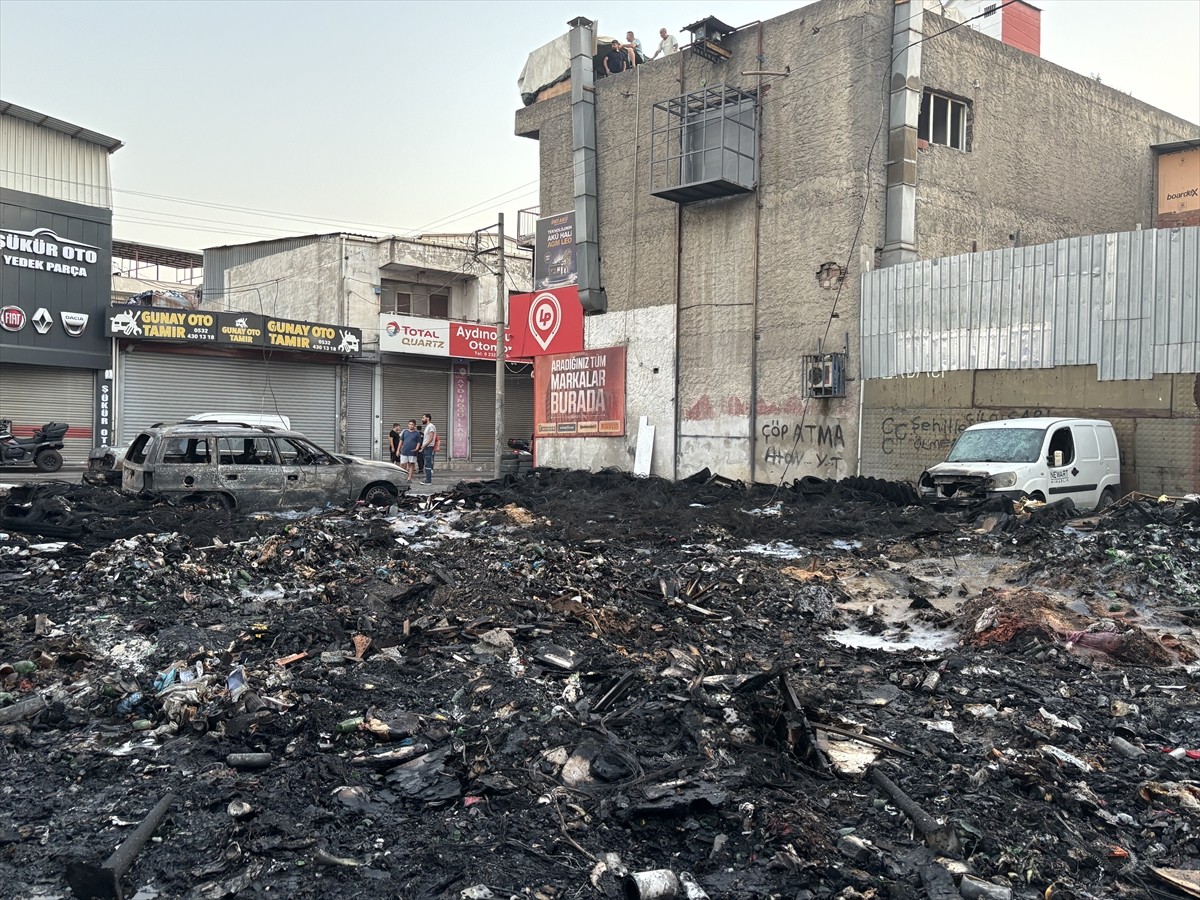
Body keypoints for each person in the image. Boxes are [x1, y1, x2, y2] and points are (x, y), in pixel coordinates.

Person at [420, 412, 437, 485]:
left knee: (428, 463)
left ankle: (428, 480)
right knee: (426, 464)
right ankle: (427, 479)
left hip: (428, 447)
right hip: (426, 447)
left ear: (427, 418)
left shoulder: (431, 426)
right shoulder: (428, 426)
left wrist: (424, 446)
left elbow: (431, 438)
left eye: (423, 418)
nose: (422, 419)